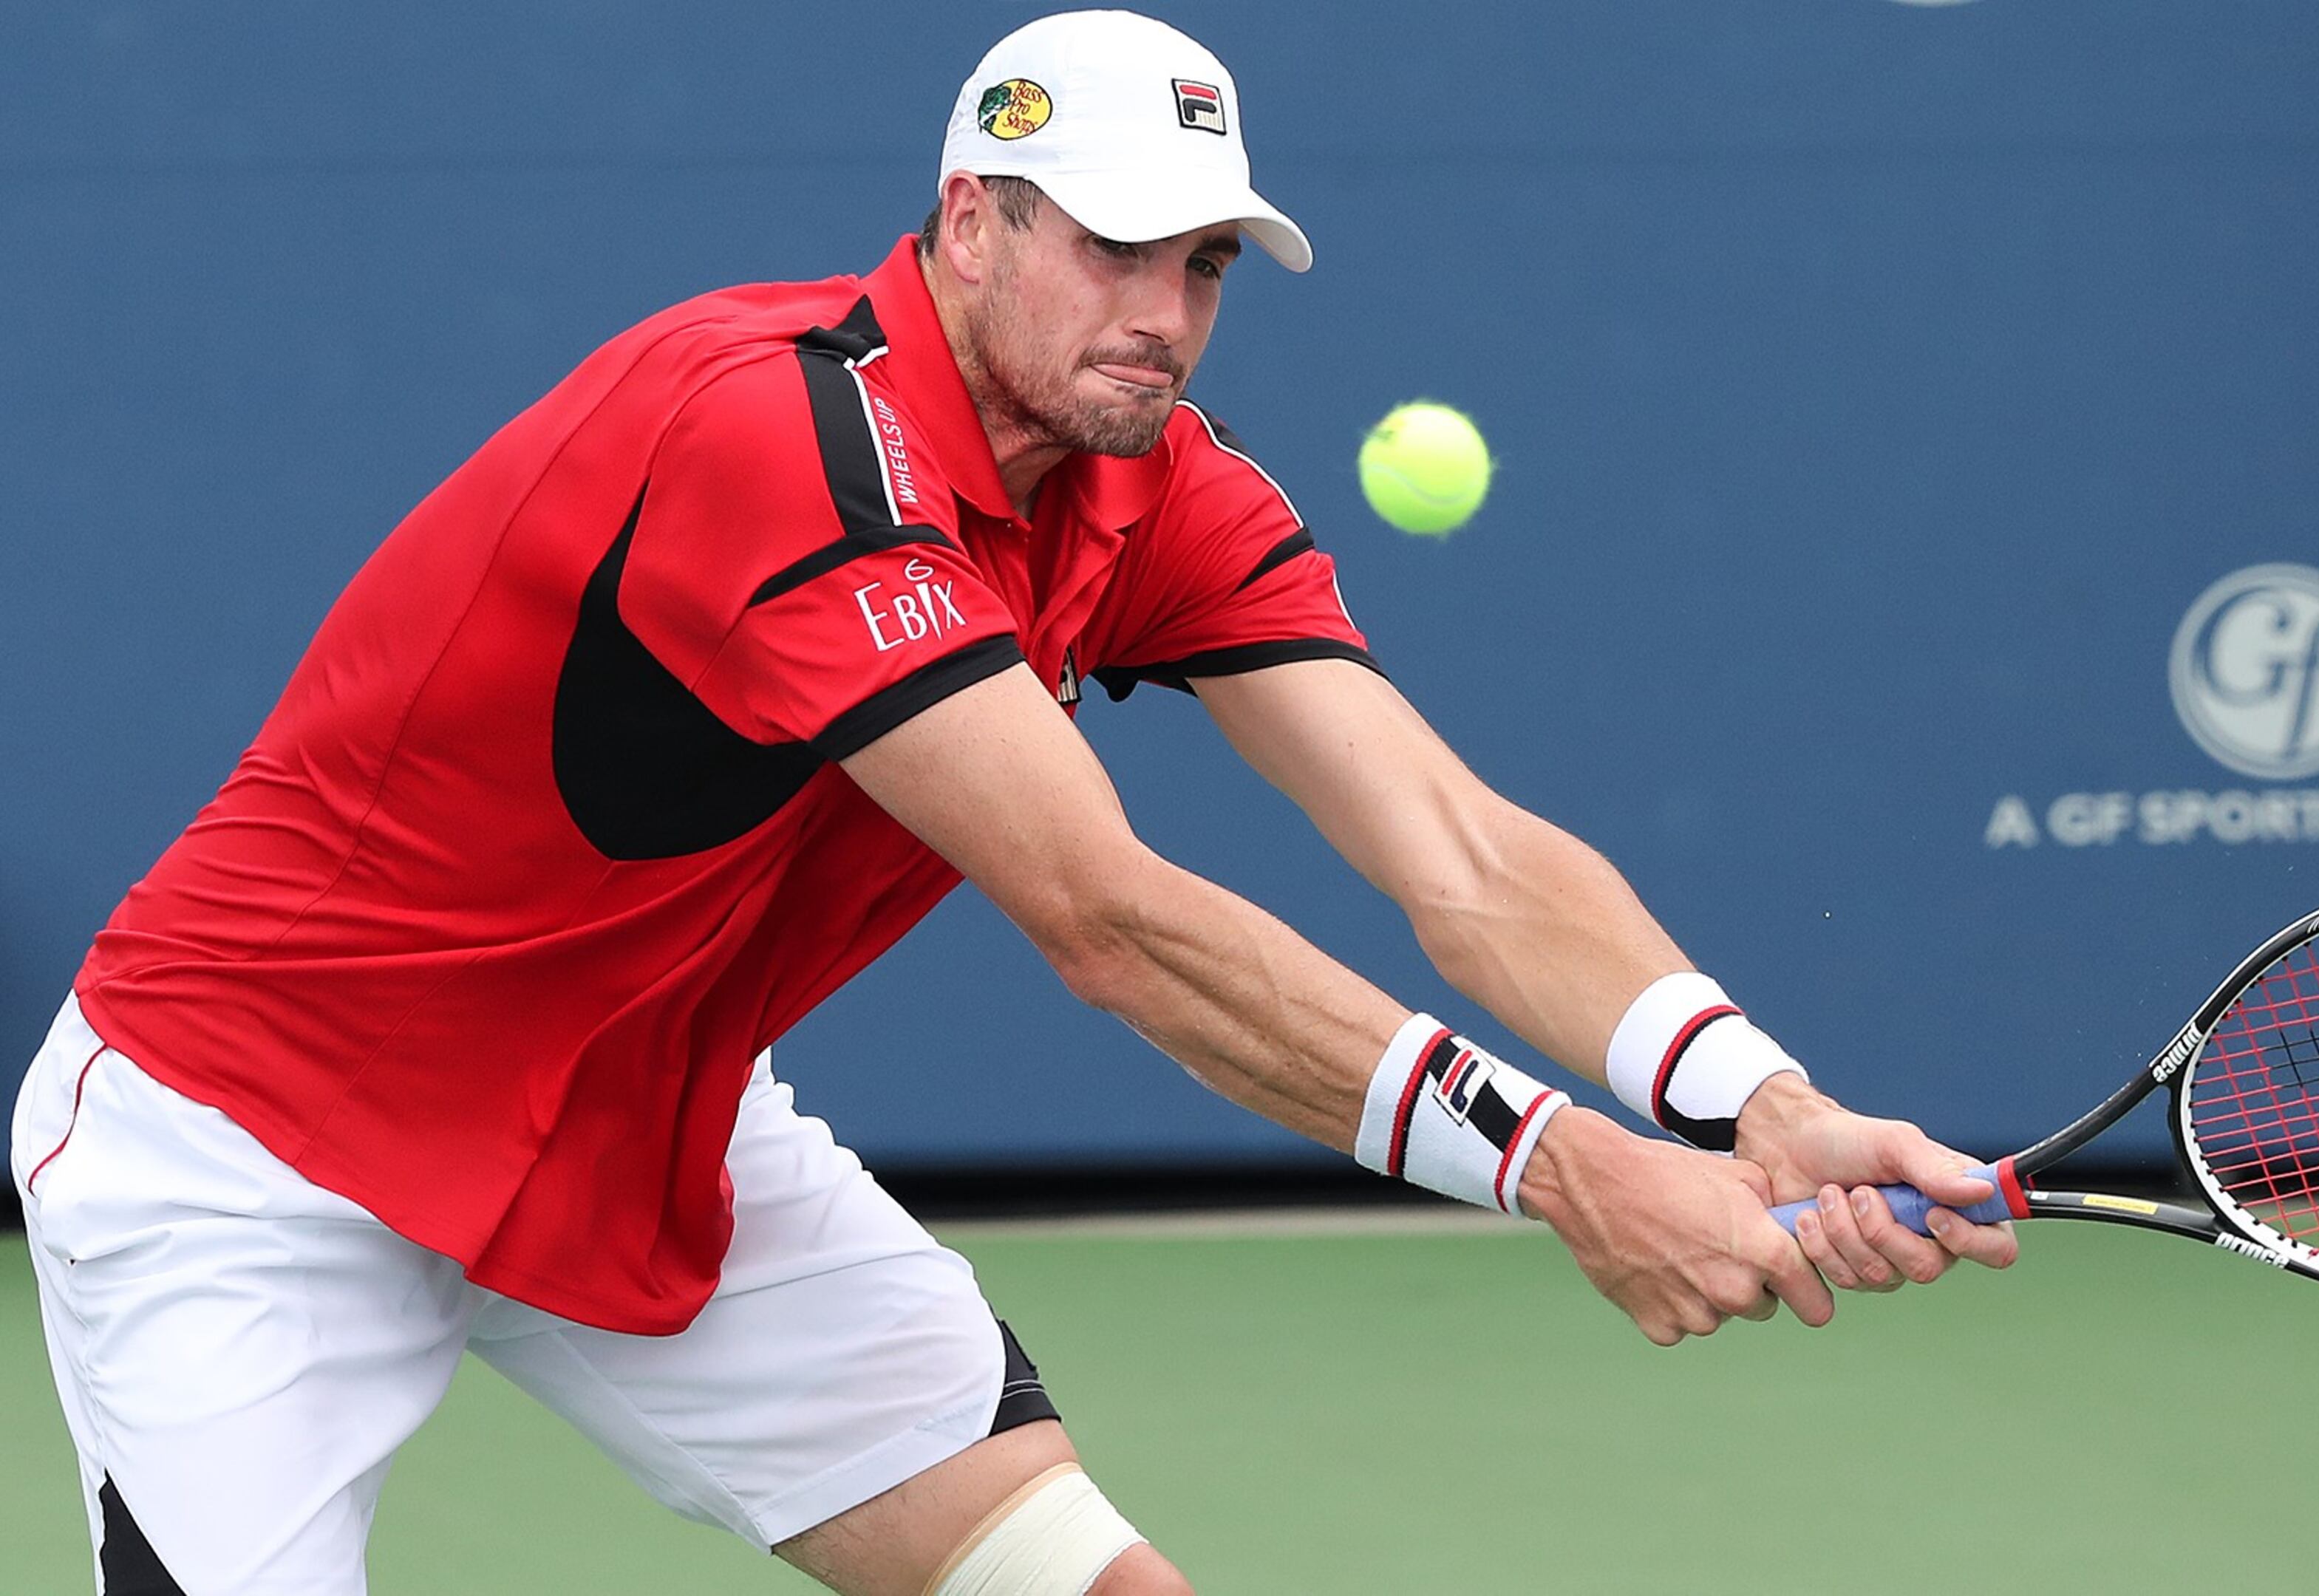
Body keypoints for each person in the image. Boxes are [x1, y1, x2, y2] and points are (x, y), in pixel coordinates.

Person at [7, 11, 2014, 1595]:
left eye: (1207, 257)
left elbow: (1459, 847)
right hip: (252, 1138)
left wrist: (1752, 1100)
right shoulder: (770, 435)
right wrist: (1574, 1168)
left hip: (649, 1121)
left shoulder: (1156, 480)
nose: (1166, 305)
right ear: (972, 221)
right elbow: (1109, 922)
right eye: (1117, 243)